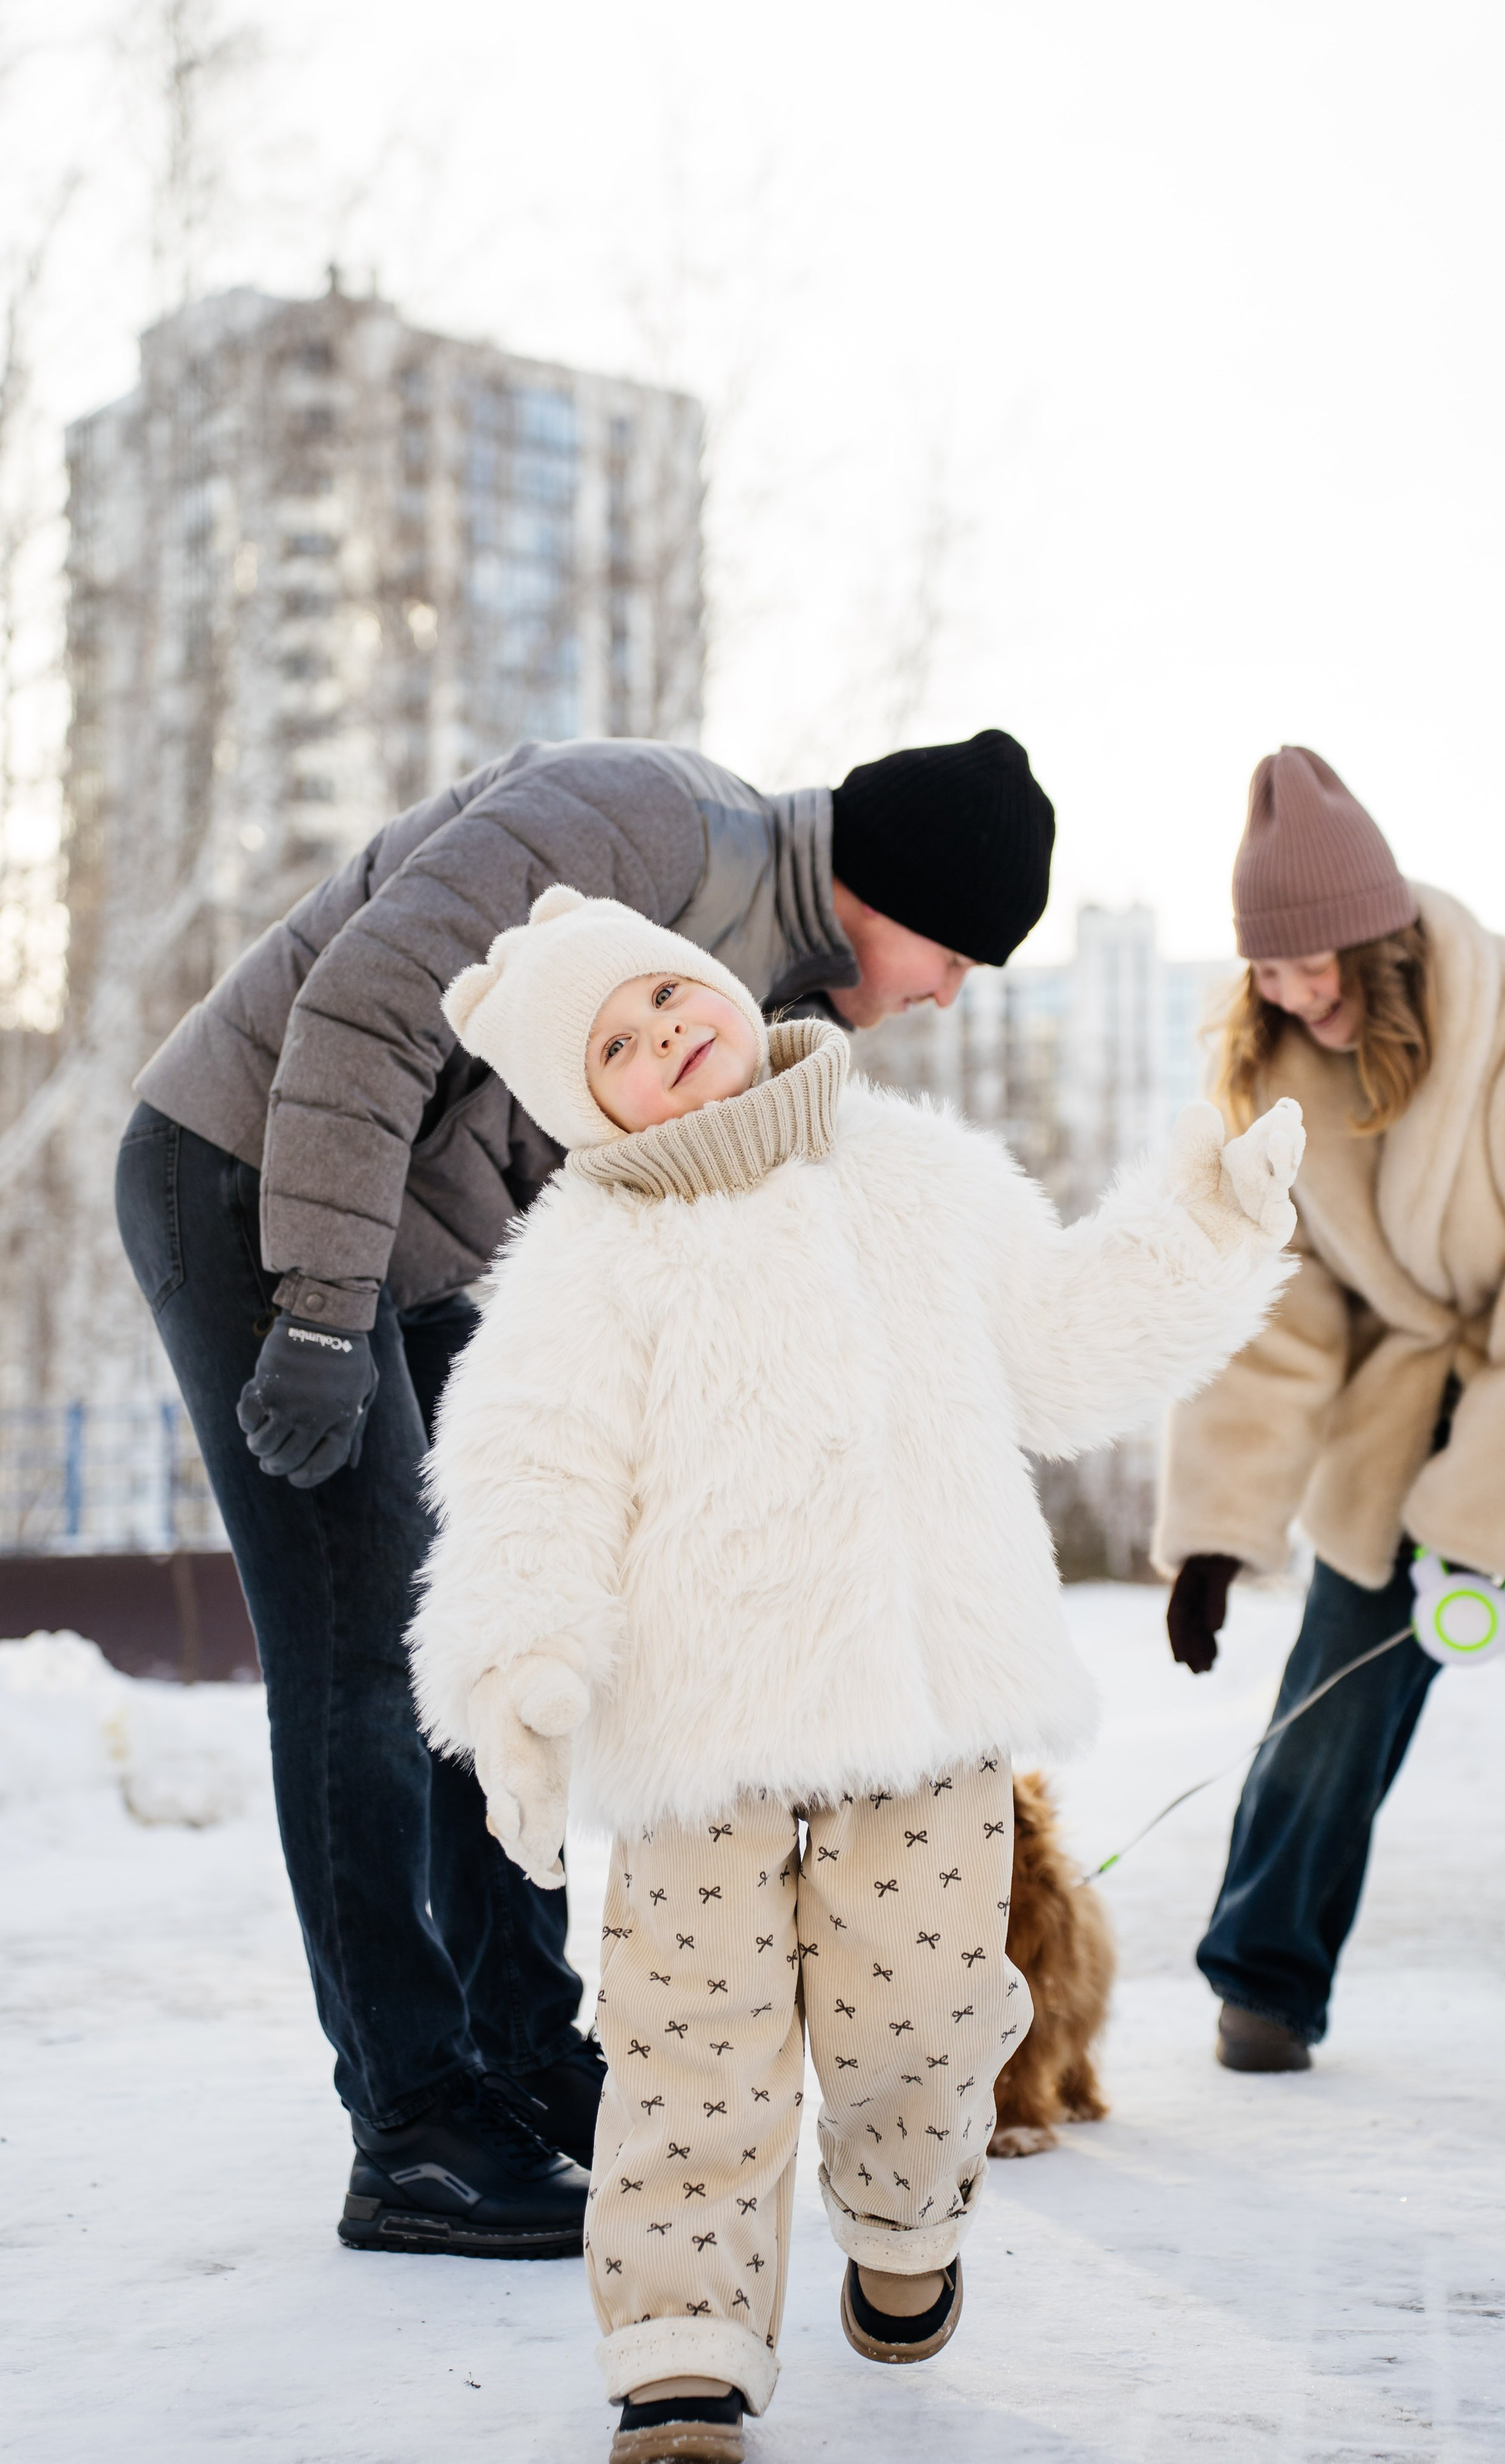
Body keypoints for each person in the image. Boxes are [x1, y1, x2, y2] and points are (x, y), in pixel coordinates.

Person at [112, 728, 1054, 2258]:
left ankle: (523, 2053)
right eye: (955, 955)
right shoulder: (645, 817)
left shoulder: (758, 987)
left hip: (402, 1245)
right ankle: (413, 2124)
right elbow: (365, 1003)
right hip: (251, 1175)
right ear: (896, 895)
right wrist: (319, 1311)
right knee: (362, 1650)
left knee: (495, 1630)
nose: (947, 991)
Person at [407, 887, 1305, 2463]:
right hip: (699, 1740)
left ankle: (903, 2217)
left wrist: (1202, 1232)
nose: (660, 1037)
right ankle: (680, 2356)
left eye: (666, 997)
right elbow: (528, 1468)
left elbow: (1060, 1348)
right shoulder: (584, 1261)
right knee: (686, 2049)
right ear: (583, 1108)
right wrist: (519, 1668)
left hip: (921, 1709)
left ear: (720, 987)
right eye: (612, 1046)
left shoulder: (911, 1174)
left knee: (926, 2018)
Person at [1155, 746, 1505, 2158]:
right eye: (1266, 970)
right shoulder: (1275, 1075)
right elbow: (1274, 1315)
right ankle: (1262, 1975)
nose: (1291, 992)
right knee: (1335, 1673)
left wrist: (1477, 1532)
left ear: (1380, 936)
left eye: (1313, 963)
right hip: (1422, 1377)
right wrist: (1215, 1530)